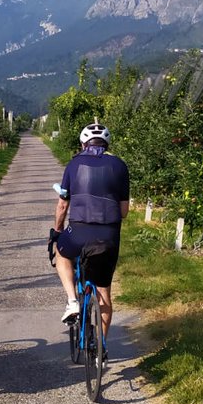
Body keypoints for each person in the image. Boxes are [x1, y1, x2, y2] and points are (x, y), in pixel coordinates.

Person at [52, 123, 131, 347]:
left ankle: (72, 301)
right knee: (104, 291)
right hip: (108, 236)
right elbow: (124, 212)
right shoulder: (120, 166)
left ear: (83, 143)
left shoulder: (74, 163)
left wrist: (57, 231)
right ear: (107, 144)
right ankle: (100, 346)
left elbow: (62, 206)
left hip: (77, 231)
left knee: (62, 253)